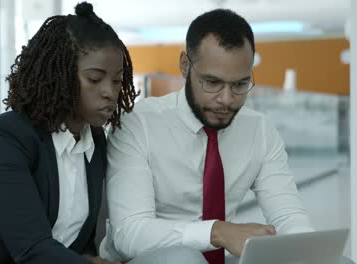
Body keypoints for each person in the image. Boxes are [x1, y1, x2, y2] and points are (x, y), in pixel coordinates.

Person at [0, 2, 137, 264]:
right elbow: (31, 248)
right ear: (60, 75)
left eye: (117, 80)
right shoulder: (4, 138)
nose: (110, 92)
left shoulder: (96, 142)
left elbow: (79, 242)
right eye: (94, 78)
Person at [99, 8, 315, 264]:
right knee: (184, 260)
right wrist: (217, 232)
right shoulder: (138, 123)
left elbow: (289, 217)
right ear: (184, 65)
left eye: (240, 85)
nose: (226, 99)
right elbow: (130, 234)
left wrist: (309, 249)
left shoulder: (259, 130)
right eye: (212, 82)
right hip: (147, 259)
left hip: (220, 259)